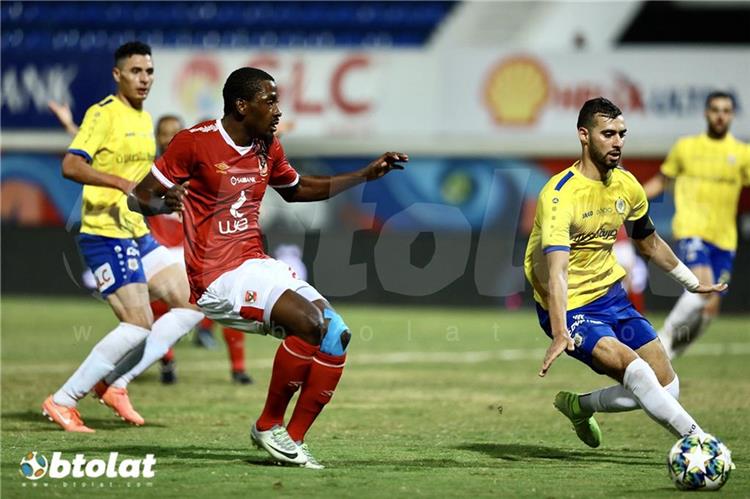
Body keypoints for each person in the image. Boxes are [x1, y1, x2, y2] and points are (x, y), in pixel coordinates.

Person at [128, 67, 407, 468]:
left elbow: (296, 189)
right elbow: (138, 197)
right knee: (308, 323)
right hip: (216, 276)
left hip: (255, 262)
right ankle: (268, 424)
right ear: (242, 105)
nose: (278, 110)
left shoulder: (267, 146)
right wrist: (162, 203)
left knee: (336, 334)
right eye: (270, 101)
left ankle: (292, 440)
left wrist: (364, 175)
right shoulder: (194, 142)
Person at [524, 97, 726, 448]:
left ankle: (580, 406)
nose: (617, 142)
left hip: (612, 299)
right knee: (637, 372)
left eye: (621, 134)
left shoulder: (627, 185)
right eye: (608, 134)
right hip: (571, 308)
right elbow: (557, 272)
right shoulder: (559, 195)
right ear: (584, 135)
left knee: (667, 387)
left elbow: (648, 243)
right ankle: (701, 443)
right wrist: (558, 331)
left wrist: (692, 283)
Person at [42, 42, 204, 432]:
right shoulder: (104, 113)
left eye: (149, 71)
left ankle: (115, 383)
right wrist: (119, 183)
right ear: (118, 75)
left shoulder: (143, 118)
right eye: (135, 71)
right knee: (138, 323)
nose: (144, 78)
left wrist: (165, 200)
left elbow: (137, 178)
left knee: (193, 302)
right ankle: (63, 401)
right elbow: (71, 164)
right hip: (105, 234)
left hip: (136, 232)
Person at [643, 91, 750, 358]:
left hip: (725, 239)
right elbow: (661, 181)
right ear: (706, 113)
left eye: (726, 111)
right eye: (715, 110)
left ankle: (667, 358)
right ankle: (661, 340)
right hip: (692, 229)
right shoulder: (686, 148)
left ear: (732, 115)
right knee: (702, 287)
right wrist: (631, 198)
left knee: (709, 310)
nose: (720, 116)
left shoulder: (742, 153)